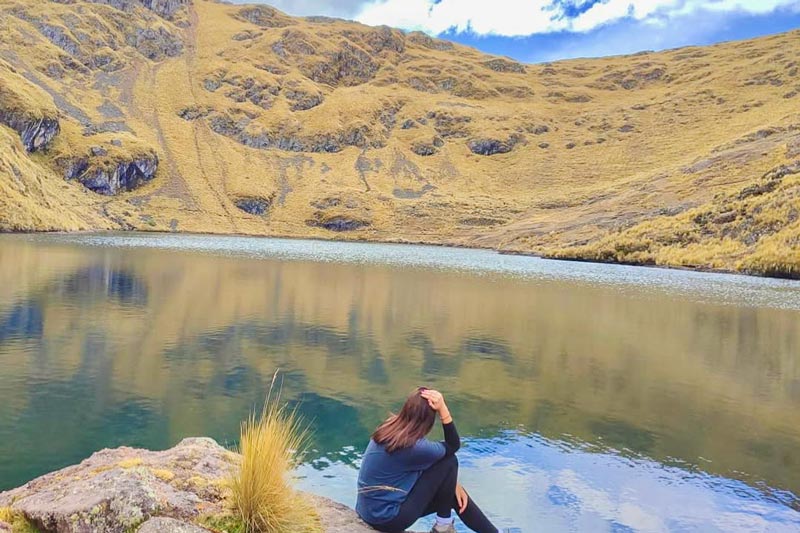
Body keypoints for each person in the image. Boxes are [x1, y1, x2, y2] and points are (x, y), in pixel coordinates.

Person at [356, 387, 520, 533]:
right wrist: (443, 410)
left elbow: (419, 467)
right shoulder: (414, 447)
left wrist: (452, 483)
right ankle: (443, 527)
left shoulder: (390, 427)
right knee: (449, 462)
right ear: (428, 420)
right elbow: (453, 446)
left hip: (367, 511)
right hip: (387, 520)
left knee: (452, 492)